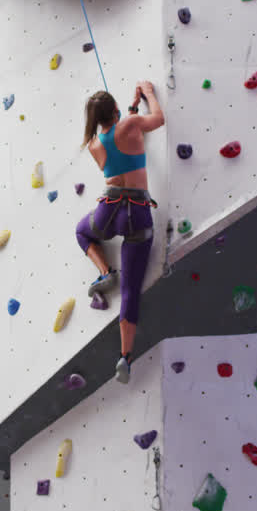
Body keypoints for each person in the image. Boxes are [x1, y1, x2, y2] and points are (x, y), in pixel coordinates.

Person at [75, 81, 165, 383]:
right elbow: (157, 121)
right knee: (131, 289)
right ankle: (125, 356)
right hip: (137, 215)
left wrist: (128, 110)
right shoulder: (133, 125)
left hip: (108, 212)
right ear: (114, 109)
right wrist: (148, 95)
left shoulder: (93, 145)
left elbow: (117, 142)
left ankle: (104, 271)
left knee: (82, 232)